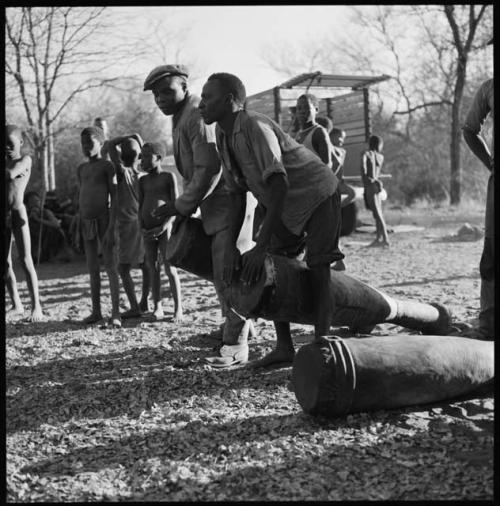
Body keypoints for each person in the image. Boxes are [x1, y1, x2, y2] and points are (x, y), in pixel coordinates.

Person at [199, 72, 344, 368]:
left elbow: (280, 184)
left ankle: (322, 345)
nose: (201, 104)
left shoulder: (255, 126)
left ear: (229, 101)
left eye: (207, 97)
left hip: (317, 195)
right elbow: (238, 194)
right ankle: (284, 348)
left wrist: (261, 244)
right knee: (273, 270)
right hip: (283, 206)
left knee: (318, 268)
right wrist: (230, 246)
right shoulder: (224, 137)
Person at [143, 64, 255, 367]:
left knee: (228, 272)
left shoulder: (194, 114)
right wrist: (185, 206)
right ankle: (239, 326)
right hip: (214, 206)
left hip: (230, 203)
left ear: (184, 86)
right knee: (222, 272)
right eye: (156, 94)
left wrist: (180, 206)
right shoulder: (182, 116)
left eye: (167, 91)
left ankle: (236, 345)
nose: (161, 99)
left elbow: (209, 168)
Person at [460, 36, 494, 340]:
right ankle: (488, 324)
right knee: (492, 254)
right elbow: (469, 130)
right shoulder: (489, 88)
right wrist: (490, 163)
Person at [77, 126, 121, 327]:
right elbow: (82, 196)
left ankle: (116, 313)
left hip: (105, 220)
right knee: (92, 268)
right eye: (83, 144)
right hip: (86, 222)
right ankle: (96, 311)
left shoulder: (107, 166)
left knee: (111, 267)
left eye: (90, 143)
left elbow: (115, 197)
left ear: (101, 144)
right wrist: (79, 223)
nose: (86, 147)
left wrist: (112, 228)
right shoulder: (81, 169)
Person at [138, 141, 183, 322]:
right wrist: (141, 225)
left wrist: (164, 226)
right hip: (147, 231)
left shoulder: (168, 177)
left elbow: (176, 205)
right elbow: (140, 204)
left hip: (165, 229)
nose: (142, 160)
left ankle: (178, 308)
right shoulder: (142, 180)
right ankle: (157, 306)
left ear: (158, 158)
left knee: (169, 267)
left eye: (147, 156)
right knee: (152, 267)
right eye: (141, 156)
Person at [107, 133, 151, 318]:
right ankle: (144, 301)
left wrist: (128, 136)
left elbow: (109, 145)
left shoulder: (123, 173)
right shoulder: (144, 175)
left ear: (122, 156)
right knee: (145, 265)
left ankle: (134, 306)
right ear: (140, 156)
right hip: (143, 222)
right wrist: (139, 139)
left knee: (123, 268)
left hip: (127, 225)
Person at [5, 124, 44, 321]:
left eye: (10, 143)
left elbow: (10, 174)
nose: (6, 147)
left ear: (20, 142)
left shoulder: (25, 160)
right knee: (5, 263)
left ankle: (36, 306)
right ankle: (16, 304)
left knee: (25, 259)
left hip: (18, 213)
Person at [25, 191, 72, 263]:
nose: (35, 204)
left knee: (54, 230)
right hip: (35, 245)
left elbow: (56, 225)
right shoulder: (25, 216)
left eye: (37, 201)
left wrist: (38, 220)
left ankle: (54, 255)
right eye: (32, 202)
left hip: (47, 244)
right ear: (27, 205)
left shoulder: (46, 212)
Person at [361, 134, 390, 247]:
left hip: (370, 185)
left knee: (377, 214)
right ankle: (379, 238)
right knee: (378, 213)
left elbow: (363, 170)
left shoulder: (367, 154)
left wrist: (366, 180)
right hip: (377, 185)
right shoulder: (380, 157)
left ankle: (385, 238)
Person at [294, 94, 332, 167]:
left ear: (316, 110)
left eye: (306, 107)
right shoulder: (298, 134)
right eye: (299, 108)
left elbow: (327, 165)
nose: (302, 111)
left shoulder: (319, 132)